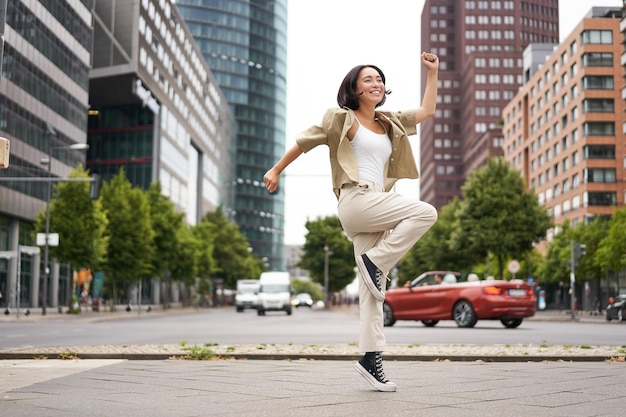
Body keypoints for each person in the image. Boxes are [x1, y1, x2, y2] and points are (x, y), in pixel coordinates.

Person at [263, 52, 439, 392]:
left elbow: (427, 111)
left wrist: (433, 73)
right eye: (368, 80)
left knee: (372, 293)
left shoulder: (390, 121)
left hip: (377, 205)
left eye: (379, 79)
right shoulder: (341, 119)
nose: (377, 84)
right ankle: (377, 262)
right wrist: (276, 169)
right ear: (354, 90)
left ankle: (370, 358)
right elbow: (304, 141)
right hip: (356, 199)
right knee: (425, 212)